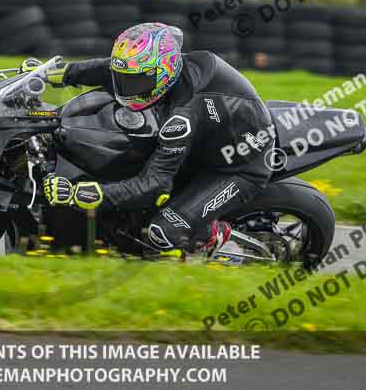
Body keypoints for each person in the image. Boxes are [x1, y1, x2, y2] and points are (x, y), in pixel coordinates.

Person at [40, 22, 274, 256]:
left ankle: (212, 235)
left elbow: (153, 184)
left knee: (164, 231)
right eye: (124, 79)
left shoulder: (182, 117)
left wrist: (94, 194)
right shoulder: (159, 70)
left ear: (164, 72)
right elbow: (107, 69)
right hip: (207, 142)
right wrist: (61, 73)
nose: (127, 88)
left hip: (238, 166)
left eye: (136, 81)